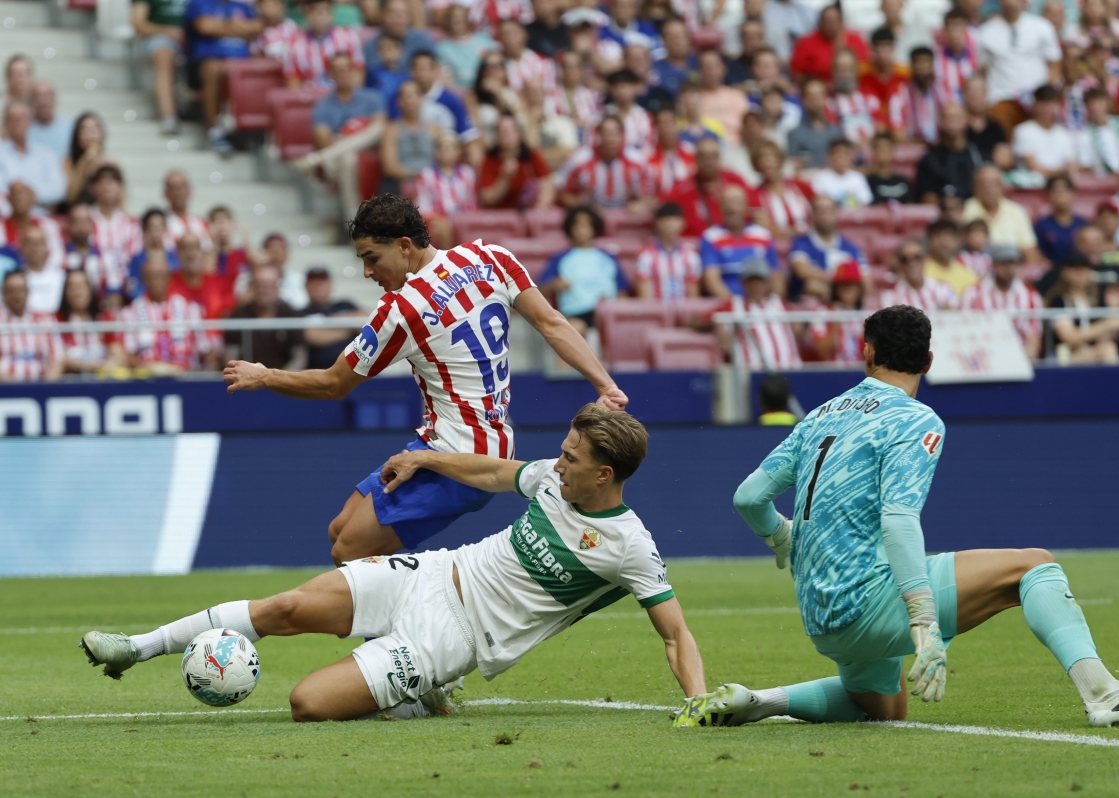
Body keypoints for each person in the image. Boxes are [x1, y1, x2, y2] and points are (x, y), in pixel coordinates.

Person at [674, 305, 1119, 730]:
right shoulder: (917, 419)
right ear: (928, 359)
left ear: (867, 353)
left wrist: (781, 536)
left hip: (820, 617)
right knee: (1034, 566)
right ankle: (1102, 693)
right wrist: (924, 623)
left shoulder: (821, 414)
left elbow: (748, 497)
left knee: (882, 708)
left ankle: (757, 700)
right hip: (871, 604)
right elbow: (899, 520)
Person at [80, 406, 706, 722]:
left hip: (453, 638)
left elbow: (676, 633)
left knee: (307, 703)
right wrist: (428, 459)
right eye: (563, 451)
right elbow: (492, 471)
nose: (559, 462)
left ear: (604, 473)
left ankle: (416, 691)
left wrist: (699, 702)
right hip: (432, 573)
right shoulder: (551, 480)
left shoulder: (630, 546)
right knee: (287, 607)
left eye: (573, 458)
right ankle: (133, 648)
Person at [222, 195, 628, 562]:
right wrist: (605, 384)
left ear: (403, 245)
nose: (366, 272)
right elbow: (552, 322)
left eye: (371, 257)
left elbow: (334, 384)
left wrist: (264, 376)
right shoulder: (490, 257)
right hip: (482, 443)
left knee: (349, 551)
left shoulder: (401, 310)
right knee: (340, 529)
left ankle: (407, 642)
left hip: (457, 456)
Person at [296, 52, 388, 221]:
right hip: (336, 153)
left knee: (379, 129)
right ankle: (353, 221)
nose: (342, 73)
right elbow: (323, 139)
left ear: (353, 71)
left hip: (369, 147)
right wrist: (347, 142)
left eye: (346, 69)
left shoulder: (372, 97)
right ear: (330, 74)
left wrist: (355, 140)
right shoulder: (323, 105)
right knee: (347, 158)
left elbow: (379, 129)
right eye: (337, 70)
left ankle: (315, 159)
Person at [185, 0, 263, 154]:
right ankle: (215, 131)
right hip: (206, 62)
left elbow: (258, 27)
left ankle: (254, 130)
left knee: (261, 67)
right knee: (213, 69)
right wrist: (240, 27)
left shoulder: (242, 6)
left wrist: (220, 26)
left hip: (241, 64)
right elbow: (205, 27)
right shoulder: (199, 4)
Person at [117, 253, 216, 373]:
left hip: (186, 377)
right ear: (144, 279)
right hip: (147, 377)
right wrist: (151, 368)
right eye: (151, 276)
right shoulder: (130, 313)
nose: (156, 281)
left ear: (169, 277)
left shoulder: (189, 308)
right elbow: (128, 354)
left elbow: (205, 348)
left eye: (161, 275)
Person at [976, 0, 1063, 136]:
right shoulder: (986, 31)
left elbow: (1054, 64)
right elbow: (983, 69)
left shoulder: (1042, 27)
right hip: (1001, 100)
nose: (1011, 2)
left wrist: (1045, 97)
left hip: (1035, 102)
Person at [539, 207, 629, 333]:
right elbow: (540, 291)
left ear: (594, 228)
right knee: (573, 330)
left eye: (586, 225)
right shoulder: (560, 258)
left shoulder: (609, 257)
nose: (582, 230)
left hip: (607, 313)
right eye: (578, 225)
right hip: (575, 313)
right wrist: (554, 284)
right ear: (570, 229)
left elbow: (622, 291)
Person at [709, 256, 802, 371]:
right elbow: (702, 320)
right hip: (752, 372)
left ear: (768, 282)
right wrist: (720, 328)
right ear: (743, 283)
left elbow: (798, 329)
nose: (756, 285)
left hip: (789, 369)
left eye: (760, 281)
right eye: (751, 281)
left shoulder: (781, 304)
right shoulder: (733, 305)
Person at [1045, 251, 1119, 364]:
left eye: (1085, 268)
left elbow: (1104, 338)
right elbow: (1069, 337)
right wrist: (1107, 324)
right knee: (1107, 350)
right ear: (1065, 271)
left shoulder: (1094, 300)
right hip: (1065, 357)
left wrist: (1114, 309)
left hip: (1090, 353)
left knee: (1110, 348)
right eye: (1075, 269)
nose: (1081, 273)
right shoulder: (1059, 301)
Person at [962, 243, 1043, 359]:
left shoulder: (1030, 295)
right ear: (993, 265)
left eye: (1012, 264)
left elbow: (1034, 335)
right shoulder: (973, 294)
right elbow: (966, 328)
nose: (1008, 269)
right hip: (984, 355)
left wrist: (1027, 354)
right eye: (1003, 264)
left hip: (1020, 354)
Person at [557, 116, 654, 212]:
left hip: (625, 217)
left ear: (622, 135)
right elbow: (561, 193)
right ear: (598, 135)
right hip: (590, 218)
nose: (610, 139)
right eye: (606, 133)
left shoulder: (637, 162)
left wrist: (642, 204)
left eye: (614, 134)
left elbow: (648, 195)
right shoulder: (579, 160)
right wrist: (582, 207)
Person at [700, 185, 782, 299]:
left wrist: (774, 301)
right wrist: (733, 303)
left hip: (762, 301)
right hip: (728, 303)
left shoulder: (763, 235)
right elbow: (711, 279)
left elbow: (775, 274)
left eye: (737, 203)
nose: (732, 208)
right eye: (727, 203)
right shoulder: (711, 237)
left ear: (746, 207)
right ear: (720, 207)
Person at [788, 195, 868, 302]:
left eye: (829, 210)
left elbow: (866, 280)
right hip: (810, 306)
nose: (824, 214)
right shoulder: (801, 243)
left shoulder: (850, 247)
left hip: (843, 301)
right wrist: (839, 278)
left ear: (836, 213)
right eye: (819, 210)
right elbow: (801, 270)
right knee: (813, 285)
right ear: (812, 214)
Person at [225, 264, 306, 369]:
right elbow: (230, 357)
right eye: (260, 285)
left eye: (270, 285)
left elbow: (299, 357)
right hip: (247, 381)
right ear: (252, 287)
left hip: (283, 382)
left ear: (278, 288)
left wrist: (282, 379)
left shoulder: (291, 316)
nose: (265, 290)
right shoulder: (238, 316)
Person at [963, 165, 1041, 264]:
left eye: (993, 184)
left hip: (1009, 269)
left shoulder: (1016, 211)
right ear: (974, 187)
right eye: (983, 184)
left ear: (1002, 186)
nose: (989, 189)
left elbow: (1030, 251)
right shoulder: (964, 209)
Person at [132, 0, 188, 134]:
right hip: (160, 37)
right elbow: (139, 25)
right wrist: (169, 31)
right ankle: (169, 116)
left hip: (196, 37)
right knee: (163, 55)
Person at [478, 114, 554, 210]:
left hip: (530, 213)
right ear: (496, 135)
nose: (506, 134)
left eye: (510, 130)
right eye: (501, 130)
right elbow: (488, 198)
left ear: (519, 133)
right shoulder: (488, 161)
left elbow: (546, 184)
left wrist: (540, 208)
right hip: (500, 215)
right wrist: (504, 178)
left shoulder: (532, 156)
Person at [286, 0, 364, 91]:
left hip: (342, 97)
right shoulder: (295, 45)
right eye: (315, 12)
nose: (320, 17)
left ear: (331, 13)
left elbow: (357, 73)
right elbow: (293, 81)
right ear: (306, 14)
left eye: (324, 11)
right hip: (311, 99)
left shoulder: (349, 37)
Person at [0, 270, 63, 381]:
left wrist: (45, 387)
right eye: (11, 290)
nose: (17, 295)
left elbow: (57, 358)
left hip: (41, 388)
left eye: (20, 290)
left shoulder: (45, 320)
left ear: (28, 292)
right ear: (4, 293)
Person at [914, 102, 982, 205]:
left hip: (976, 213)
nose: (952, 121)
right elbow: (928, 198)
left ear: (966, 120)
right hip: (946, 214)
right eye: (947, 117)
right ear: (940, 122)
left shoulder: (978, 155)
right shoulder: (929, 160)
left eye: (956, 117)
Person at [0, 101, 66, 207]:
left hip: (42, 216)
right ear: (5, 122)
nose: (18, 121)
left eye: (22, 117)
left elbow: (58, 189)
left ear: (30, 121)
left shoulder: (46, 154)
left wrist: (29, 194)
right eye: (12, 118)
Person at [88, 166, 143, 289]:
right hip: (90, 287)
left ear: (121, 187)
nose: (106, 186)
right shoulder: (83, 220)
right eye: (101, 181)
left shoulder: (132, 224)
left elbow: (133, 259)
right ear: (92, 188)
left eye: (112, 181)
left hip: (124, 289)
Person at [378, 80, 436, 195]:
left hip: (432, 182)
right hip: (400, 182)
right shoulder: (391, 130)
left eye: (415, 95)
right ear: (399, 102)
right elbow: (389, 167)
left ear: (421, 98)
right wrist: (418, 176)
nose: (410, 100)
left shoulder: (434, 128)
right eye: (406, 96)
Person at [636, 202, 701, 301]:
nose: (671, 224)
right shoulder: (646, 256)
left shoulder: (691, 256)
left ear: (683, 223)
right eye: (666, 220)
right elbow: (644, 297)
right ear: (657, 223)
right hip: (655, 313)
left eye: (675, 219)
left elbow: (693, 296)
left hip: (685, 313)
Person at [58, 268, 119, 374]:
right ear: (65, 292)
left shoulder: (104, 318)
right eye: (72, 287)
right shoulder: (57, 321)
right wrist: (95, 366)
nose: (78, 292)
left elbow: (118, 352)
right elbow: (59, 358)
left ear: (90, 289)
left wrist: (112, 362)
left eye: (82, 286)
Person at [790, 5, 868, 85]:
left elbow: (866, 67)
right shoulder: (805, 43)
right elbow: (797, 73)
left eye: (834, 20)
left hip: (855, 89)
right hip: (820, 91)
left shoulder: (855, 39)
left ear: (841, 21)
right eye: (827, 21)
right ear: (820, 23)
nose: (831, 24)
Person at [301, 266, 360, 370]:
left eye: (322, 281)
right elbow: (311, 336)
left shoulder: (345, 305)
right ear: (306, 286)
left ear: (330, 284)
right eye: (313, 282)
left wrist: (328, 327)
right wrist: (349, 327)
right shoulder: (301, 313)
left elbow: (367, 321)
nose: (318, 285)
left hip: (355, 370)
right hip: (318, 372)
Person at [1013, 85, 1079, 179]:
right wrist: (1062, 171)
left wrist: (1063, 172)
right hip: (1032, 188)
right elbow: (1034, 169)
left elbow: (1072, 168)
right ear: (1034, 105)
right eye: (1042, 105)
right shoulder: (1023, 131)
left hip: (1060, 187)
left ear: (1057, 105)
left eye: (1050, 104)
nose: (1046, 109)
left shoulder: (1064, 134)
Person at [169, 232, 236, 320]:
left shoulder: (220, 284)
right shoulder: (167, 283)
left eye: (195, 247)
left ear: (203, 252)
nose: (191, 254)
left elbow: (230, 318)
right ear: (177, 253)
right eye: (185, 248)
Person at [0, 180, 65, 268]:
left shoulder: (48, 225)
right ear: (9, 199)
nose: (19, 197)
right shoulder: (1, 226)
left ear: (33, 198)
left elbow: (57, 255)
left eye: (23, 193)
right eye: (15, 193)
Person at [1076, 87, 1119, 176]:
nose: (1095, 108)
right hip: (1104, 181)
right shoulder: (1084, 136)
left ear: (1107, 103)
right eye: (1091, 104)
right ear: (1086, 108)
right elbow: (1086, 166)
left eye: (1099, 103)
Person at [880, 239, 959, 311]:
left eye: (917, 257)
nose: (911, 263)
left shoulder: (944, 289)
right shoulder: (890, 297)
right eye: (905, 259)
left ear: (926, 259)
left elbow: (955, 314)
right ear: (899, 264)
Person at [827, 49, 882, 146]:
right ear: (833, 71)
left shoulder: (869, 96)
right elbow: (832, 131)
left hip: (872, 149)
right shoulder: (829, 101)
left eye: (849, 69)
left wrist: (868, 143)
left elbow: (880, 126)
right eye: (841, 69)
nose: (845, 74)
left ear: (856, 70)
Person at [437, 3, 497, 89]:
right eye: (453, 16)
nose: (457, 19)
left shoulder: (484, 40)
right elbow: (444, 78)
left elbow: (496, 67)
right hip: (459, 92)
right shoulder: (442, 48)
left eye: (461, 15)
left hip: (486, 89)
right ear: (448, 21)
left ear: (467, 18)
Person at [786, 78, 842, 169]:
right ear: (803, 100)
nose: (816, 98)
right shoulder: (795, 133)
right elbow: (793, 166)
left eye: (820, 94)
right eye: (811, 95)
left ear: (825, 98)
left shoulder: (836, 131)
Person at [888, 46, 939, 144]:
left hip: (939, 147)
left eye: (927, 62)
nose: (922, 67)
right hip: (911, 148)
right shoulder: (900, 94)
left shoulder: (939, 91)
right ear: (911, 65)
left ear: (932, 65)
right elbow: (897, 133)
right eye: (918, 62)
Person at [1035, 176, 1088, 266]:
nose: (1059, 194)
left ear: (1073, 194)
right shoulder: (1041, 226)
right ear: (1048, 195)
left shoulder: (1083, 225)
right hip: (1052, 273)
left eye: (1064, 190)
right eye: (1055, 190)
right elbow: (1037, 255)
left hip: (1080, 270)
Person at [126, 209, 178, 300]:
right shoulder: (137, 260)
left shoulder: (175, 258)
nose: (156, 232)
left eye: (159, 227)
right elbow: (133, 288)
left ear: (165, 229)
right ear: (144, 230)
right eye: (152, 227)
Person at [961, 77, 1011, 168]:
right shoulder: (958, 127)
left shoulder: (996, 127)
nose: (975, 96)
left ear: (986, 95)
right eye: (971, 91)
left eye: (979, 92)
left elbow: (1005, 160)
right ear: (964, 95)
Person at [923, 219, 979, 298]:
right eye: (938, 235)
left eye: (949, 236)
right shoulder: (920, 270)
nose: (944, 241)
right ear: (929, 240)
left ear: (958, 241)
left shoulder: (967, 275)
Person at [810, 139, 872, 209]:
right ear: (829, 156)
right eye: (838, 154)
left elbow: (866, 202)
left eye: (845, 153)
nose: (842, 157)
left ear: (851, 156)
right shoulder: (820, 178)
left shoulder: (858, 177)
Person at [16, 226, 64, 315]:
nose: (35, 248)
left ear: (46, 246)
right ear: (21, 247)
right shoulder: (13, 280)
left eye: (39, 243)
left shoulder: (61, 277)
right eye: (30, 243)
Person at [934, 7, 977, 106]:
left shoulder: (976, 52)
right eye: (951, 28)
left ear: (966, 28)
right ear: (945, 30)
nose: (954, 33)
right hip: (948, 111)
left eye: (958, 27)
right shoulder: (936, 57)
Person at [163, 170, 211, 251]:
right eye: (172, 188)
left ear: (189, 190)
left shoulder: (203, 224)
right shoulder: (159, 225)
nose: (177, 192)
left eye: (181, 187)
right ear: (165, 193)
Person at [27, 82, 73, 159]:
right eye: (38, 97)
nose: (43, 100)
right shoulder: (23, 128)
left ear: (55, 100)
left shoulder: (70, 128)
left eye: (48, 96)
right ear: (31, 101)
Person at [866, 133, 912, 204]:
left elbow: (910, 204)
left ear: (893, 152)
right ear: (874, 153)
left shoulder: (901, 181)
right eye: (881, 150)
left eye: (888, 149)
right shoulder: (868, 181)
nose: (884, 153)